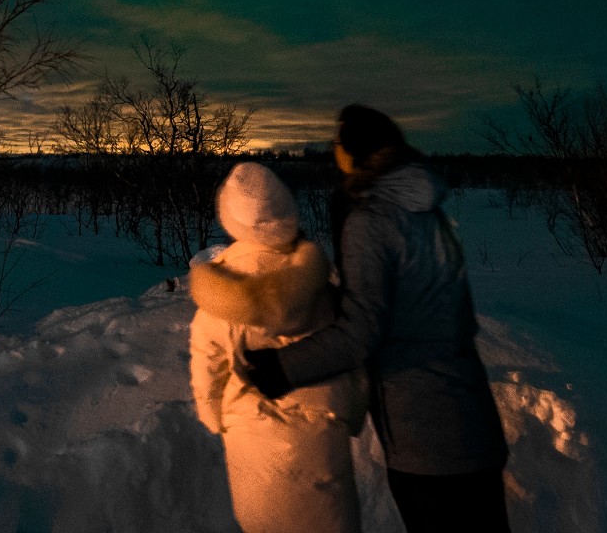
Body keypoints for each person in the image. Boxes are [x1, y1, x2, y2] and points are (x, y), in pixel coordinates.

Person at [239, 106, 510, 533]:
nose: (332, 150)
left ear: (353, 152)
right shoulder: (428, 211)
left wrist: (281, 368)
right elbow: (416, 303)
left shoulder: (371, 220)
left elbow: (360, 332)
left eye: (337, 142)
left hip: (427, 436)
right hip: (473, 420)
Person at [190, 162, 367, 533]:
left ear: (231, 219)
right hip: (322, 429)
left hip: (250, 431)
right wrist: (352, 411)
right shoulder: (321, 279)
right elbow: (350, 350)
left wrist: (212, 415)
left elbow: (208, 361)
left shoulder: (222, 285)